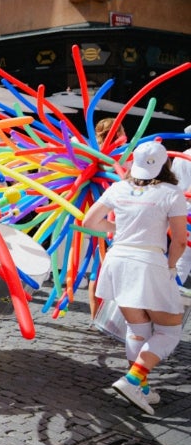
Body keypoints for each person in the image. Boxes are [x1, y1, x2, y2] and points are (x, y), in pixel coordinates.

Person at [82, 140, 186, 415]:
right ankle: (131, 379)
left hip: (118, 260)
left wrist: (117, 228)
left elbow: (89, 222)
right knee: (169, 330)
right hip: (149, 262)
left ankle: (142, 386)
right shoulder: (171, 192)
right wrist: (172, 266)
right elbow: (179, 241)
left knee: (136, 328)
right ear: (166, 164)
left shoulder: (118, 187)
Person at [87, 117, 127, 320]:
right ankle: (115, 319)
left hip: (92, 213)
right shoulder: (126, 153)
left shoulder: (89, 154)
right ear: (118, 132)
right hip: (120, 216)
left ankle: (95, 317)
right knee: (118, 268)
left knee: (97, 266)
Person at [170, 124, 191, 284]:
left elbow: (175, 185)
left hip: (182, 211)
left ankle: (171, 291)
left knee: (182, 260)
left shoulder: (180, 156)